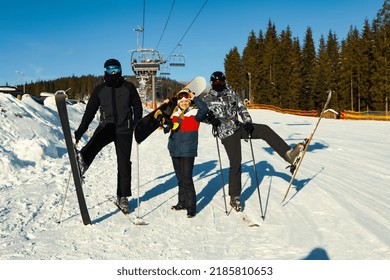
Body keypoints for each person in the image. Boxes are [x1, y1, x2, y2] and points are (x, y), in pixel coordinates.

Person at [202, 71, 304, 212]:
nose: (218, 84)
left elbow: (241, 108)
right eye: (215, 82)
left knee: (264, 130)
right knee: (236, 162)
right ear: (212, 83)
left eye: (221, 82)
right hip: (226, 133)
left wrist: (248, 122)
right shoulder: (207, 98)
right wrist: (210, 120)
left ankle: (288, 155)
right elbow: (201, 115)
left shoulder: (231, 93)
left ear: (224, 81)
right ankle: (234, 196)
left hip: (238, 127)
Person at [74, 58, 143, 213]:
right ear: (105, 71)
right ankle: (82, 162)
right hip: (107, 126)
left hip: (124, 129)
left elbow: (137, 107)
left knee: (124, 163)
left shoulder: (128, 87)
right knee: (95, 142)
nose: (113, 73)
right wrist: (80, 131)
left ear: (120, 70)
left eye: (116, 69)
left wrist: (137, 125)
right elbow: (89, 112)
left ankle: (122, 196)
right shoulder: (100, 90)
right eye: (110, 69)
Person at [164, 88, 208, 218]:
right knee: (180, 179)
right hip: (175, 149)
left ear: (188, 102)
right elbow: (166, 125)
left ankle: (191, 207)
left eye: (185, 101)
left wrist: (194, 97)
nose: (183, 103)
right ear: (178, 103)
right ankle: (181, 202)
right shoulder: (174, 114)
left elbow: (205, 109)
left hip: (188, 151)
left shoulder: (195, 113)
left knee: (187, 178)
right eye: (181, 101)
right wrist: (167, 124)